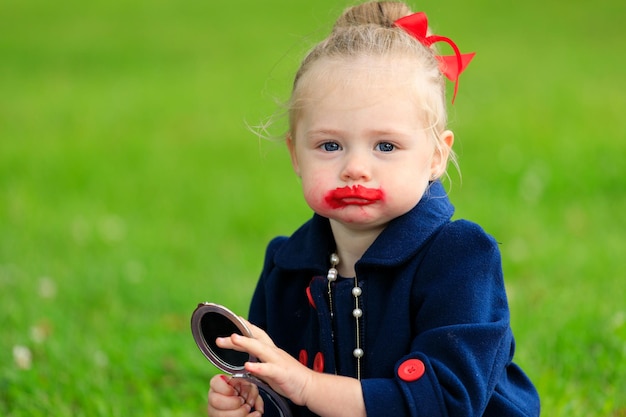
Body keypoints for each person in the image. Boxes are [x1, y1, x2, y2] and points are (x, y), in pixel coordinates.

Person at [207, 1, 540, 416]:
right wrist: (252, 403)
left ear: (437, 155)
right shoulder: (286, 268)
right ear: (296, 155)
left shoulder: (461, 258)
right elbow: (277, 388)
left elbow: (450, 402)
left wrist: (309, 384)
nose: (355, 168)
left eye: (386, 146)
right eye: (330, 145)